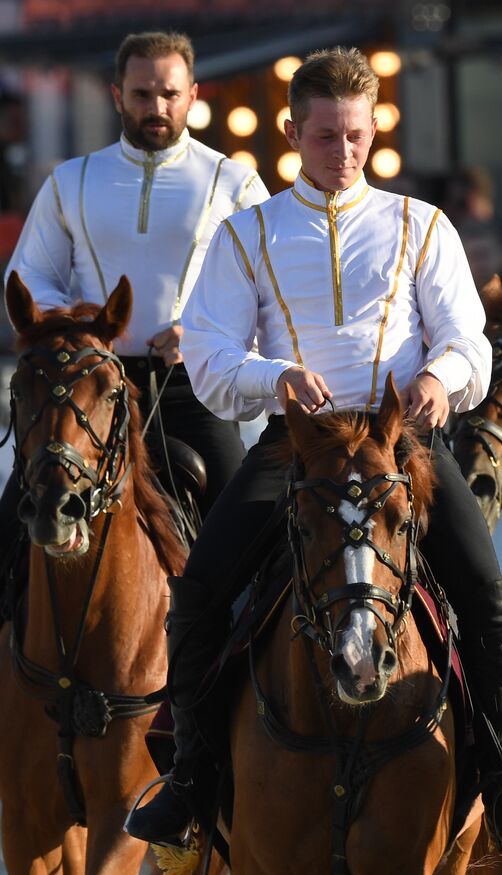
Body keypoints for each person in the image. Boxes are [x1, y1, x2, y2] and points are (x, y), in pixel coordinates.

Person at [122, 47, 502, 855]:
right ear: (291, 132)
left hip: (403, 447)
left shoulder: (423, 224)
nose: (345, 151)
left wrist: (440, 374)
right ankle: (190, 779)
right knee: (202, 592)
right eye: (327, 136)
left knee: (491, 597)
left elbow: (470, 341)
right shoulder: (246, 233)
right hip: (298, 448)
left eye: (357, 134)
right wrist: (276, 374)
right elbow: (210, 356)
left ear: (375, 126)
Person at [3, 31, 263, 532]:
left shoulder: (236, 182)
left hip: (192, 389)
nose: (156, 106)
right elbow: (30, 276)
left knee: (246, 532)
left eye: (169, 93)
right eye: (142, 94)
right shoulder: (71, 181)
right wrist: (78, 328)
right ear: (118, 95)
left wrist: (206, 332)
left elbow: (268, 294)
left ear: (192, 94)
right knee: (11, 530)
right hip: (84, 387)